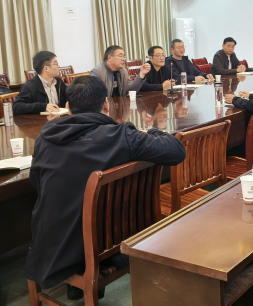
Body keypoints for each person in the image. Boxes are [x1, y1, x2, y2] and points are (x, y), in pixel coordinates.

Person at [25, 76, 186, 299]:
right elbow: (177, 151)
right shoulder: (121, 135)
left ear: (68, 107)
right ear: (106, 105)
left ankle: (77, 285)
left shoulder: (45, 136)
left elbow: (37, 182)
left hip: (53, 242)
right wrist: (151, 132)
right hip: (106, 241)